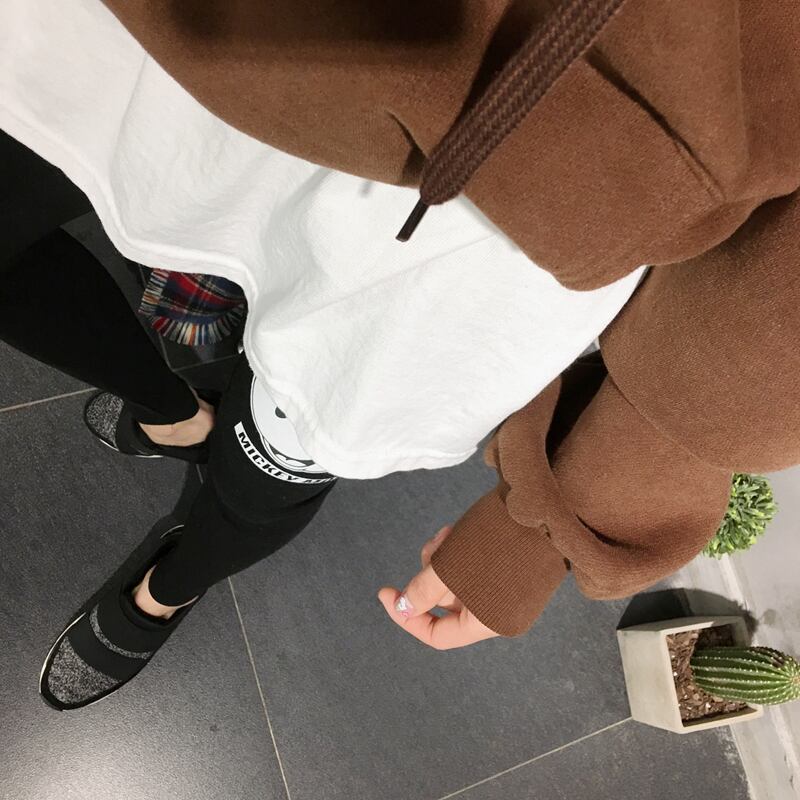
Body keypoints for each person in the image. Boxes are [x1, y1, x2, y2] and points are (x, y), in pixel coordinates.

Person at [1, 0, 799, 710]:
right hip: (187, 38)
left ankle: (168, 588)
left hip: (494, 210)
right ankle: (176, 416)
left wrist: (545, 529)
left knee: (282, 449)